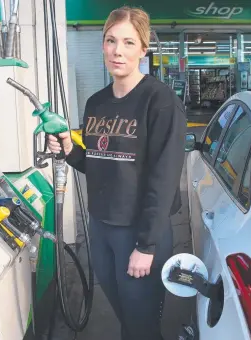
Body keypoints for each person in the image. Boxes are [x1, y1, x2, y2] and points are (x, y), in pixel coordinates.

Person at [47, 6, 186, 340]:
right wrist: (69, 149)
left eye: (127, 42)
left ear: (143, 48)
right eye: (111, 41)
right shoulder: (97, 103)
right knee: (125, 316)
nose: (117, 50)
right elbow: (97, 163)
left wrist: (147, 245)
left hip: (138, 231)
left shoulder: (160, 101)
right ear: (103, 45)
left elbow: (163, 179)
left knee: (142, 324)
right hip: (101, 227)